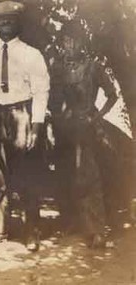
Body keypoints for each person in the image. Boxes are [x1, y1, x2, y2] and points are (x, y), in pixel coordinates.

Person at [0, 1, 50, 252]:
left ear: (18, 22)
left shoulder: (32, 54)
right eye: (0, 20)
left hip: (22, 115)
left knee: (28, 175)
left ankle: (31, 231)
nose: (5, 24)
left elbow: (41, 92)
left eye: (9, 20)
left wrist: (36, 127)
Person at [49, 20, 118, 248]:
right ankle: (71, 223)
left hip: (86, 129)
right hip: (63, 128)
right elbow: (50, 97)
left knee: (89, 176)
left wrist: (96, 118)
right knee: (65, 173)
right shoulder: (57, 67)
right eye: (65, 40)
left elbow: (112, 95)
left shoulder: (93, 67)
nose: (69, 45)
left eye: (74, 40)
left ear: (82, 42)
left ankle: (97, 230)